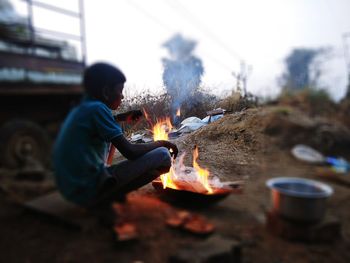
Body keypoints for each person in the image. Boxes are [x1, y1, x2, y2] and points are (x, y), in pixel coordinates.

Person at [53, 62, 178, 224]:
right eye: (120, 90)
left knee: (108, 141)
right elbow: (131, 152)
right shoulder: (98, 109)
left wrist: (120, 118)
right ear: (106, 91)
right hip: (84, 190)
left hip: (69, 187)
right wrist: (162, 142)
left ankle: (107, 195)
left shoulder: (84, 107)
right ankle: (105, 199)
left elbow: (100, 127)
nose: (122, 96)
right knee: (162, 155)